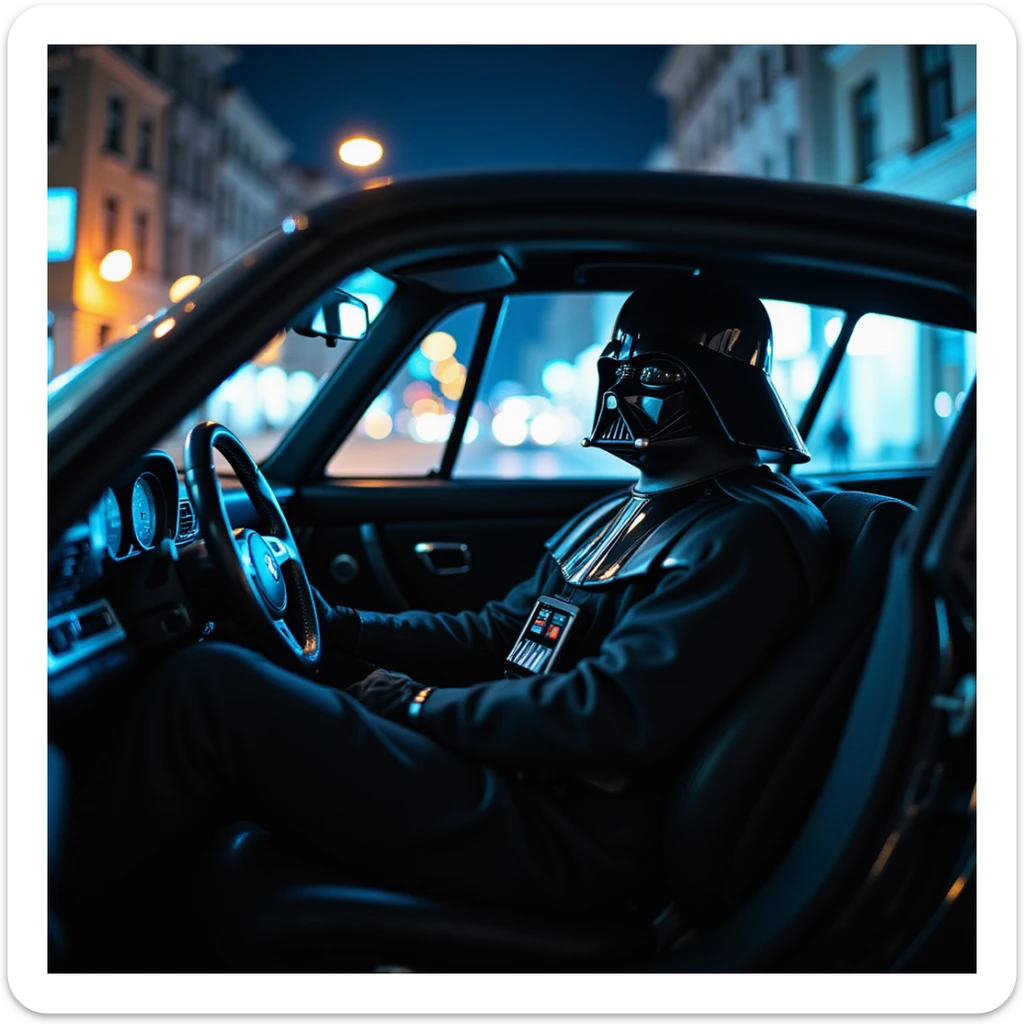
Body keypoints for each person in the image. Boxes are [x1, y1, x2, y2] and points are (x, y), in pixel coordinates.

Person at [59, 276, 831, 958]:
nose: (625, 395)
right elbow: (500, 633)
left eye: (653, 375)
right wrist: (339, 626)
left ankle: (65, 933)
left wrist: (417, 704)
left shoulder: (745, 533)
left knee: (209, 687)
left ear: (723, 388)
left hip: (565, 831)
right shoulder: (631, 507)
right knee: (237, 677)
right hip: (514, 773)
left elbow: (614, 714)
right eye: (616, 372)